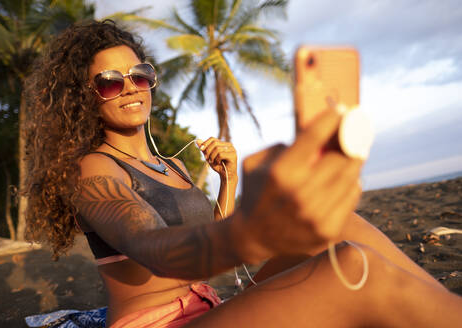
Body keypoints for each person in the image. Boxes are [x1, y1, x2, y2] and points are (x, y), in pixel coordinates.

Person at [24, 20, 462, 328]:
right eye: (110, 82)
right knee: (356, 266)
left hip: (212, 307)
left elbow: (208, 249)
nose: (130, 88)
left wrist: (228, 181)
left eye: (140, 75)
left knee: (345, 229)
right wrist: (256, 231)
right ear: (84, 96)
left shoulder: (171, 165)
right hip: (157, 323)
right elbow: (151, 246)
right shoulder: (90, 168)